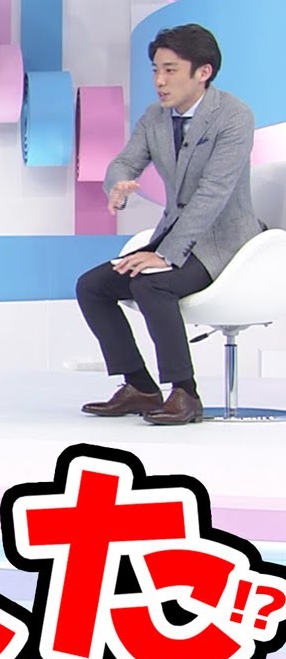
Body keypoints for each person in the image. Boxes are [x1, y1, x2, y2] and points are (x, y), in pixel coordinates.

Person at [75, 24, 264, 426]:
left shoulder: (234, 117)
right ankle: (140, 387)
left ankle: (185, 394)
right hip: (174, 235)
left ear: (203, 72)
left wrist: (164, 256)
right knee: (93, 286)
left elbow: (213, 193)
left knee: (152, 283)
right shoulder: (155, 117)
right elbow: (125, 162)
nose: (159, 81)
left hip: (227, 245)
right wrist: (117, 184)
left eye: (170, 70)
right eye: (155, 70)